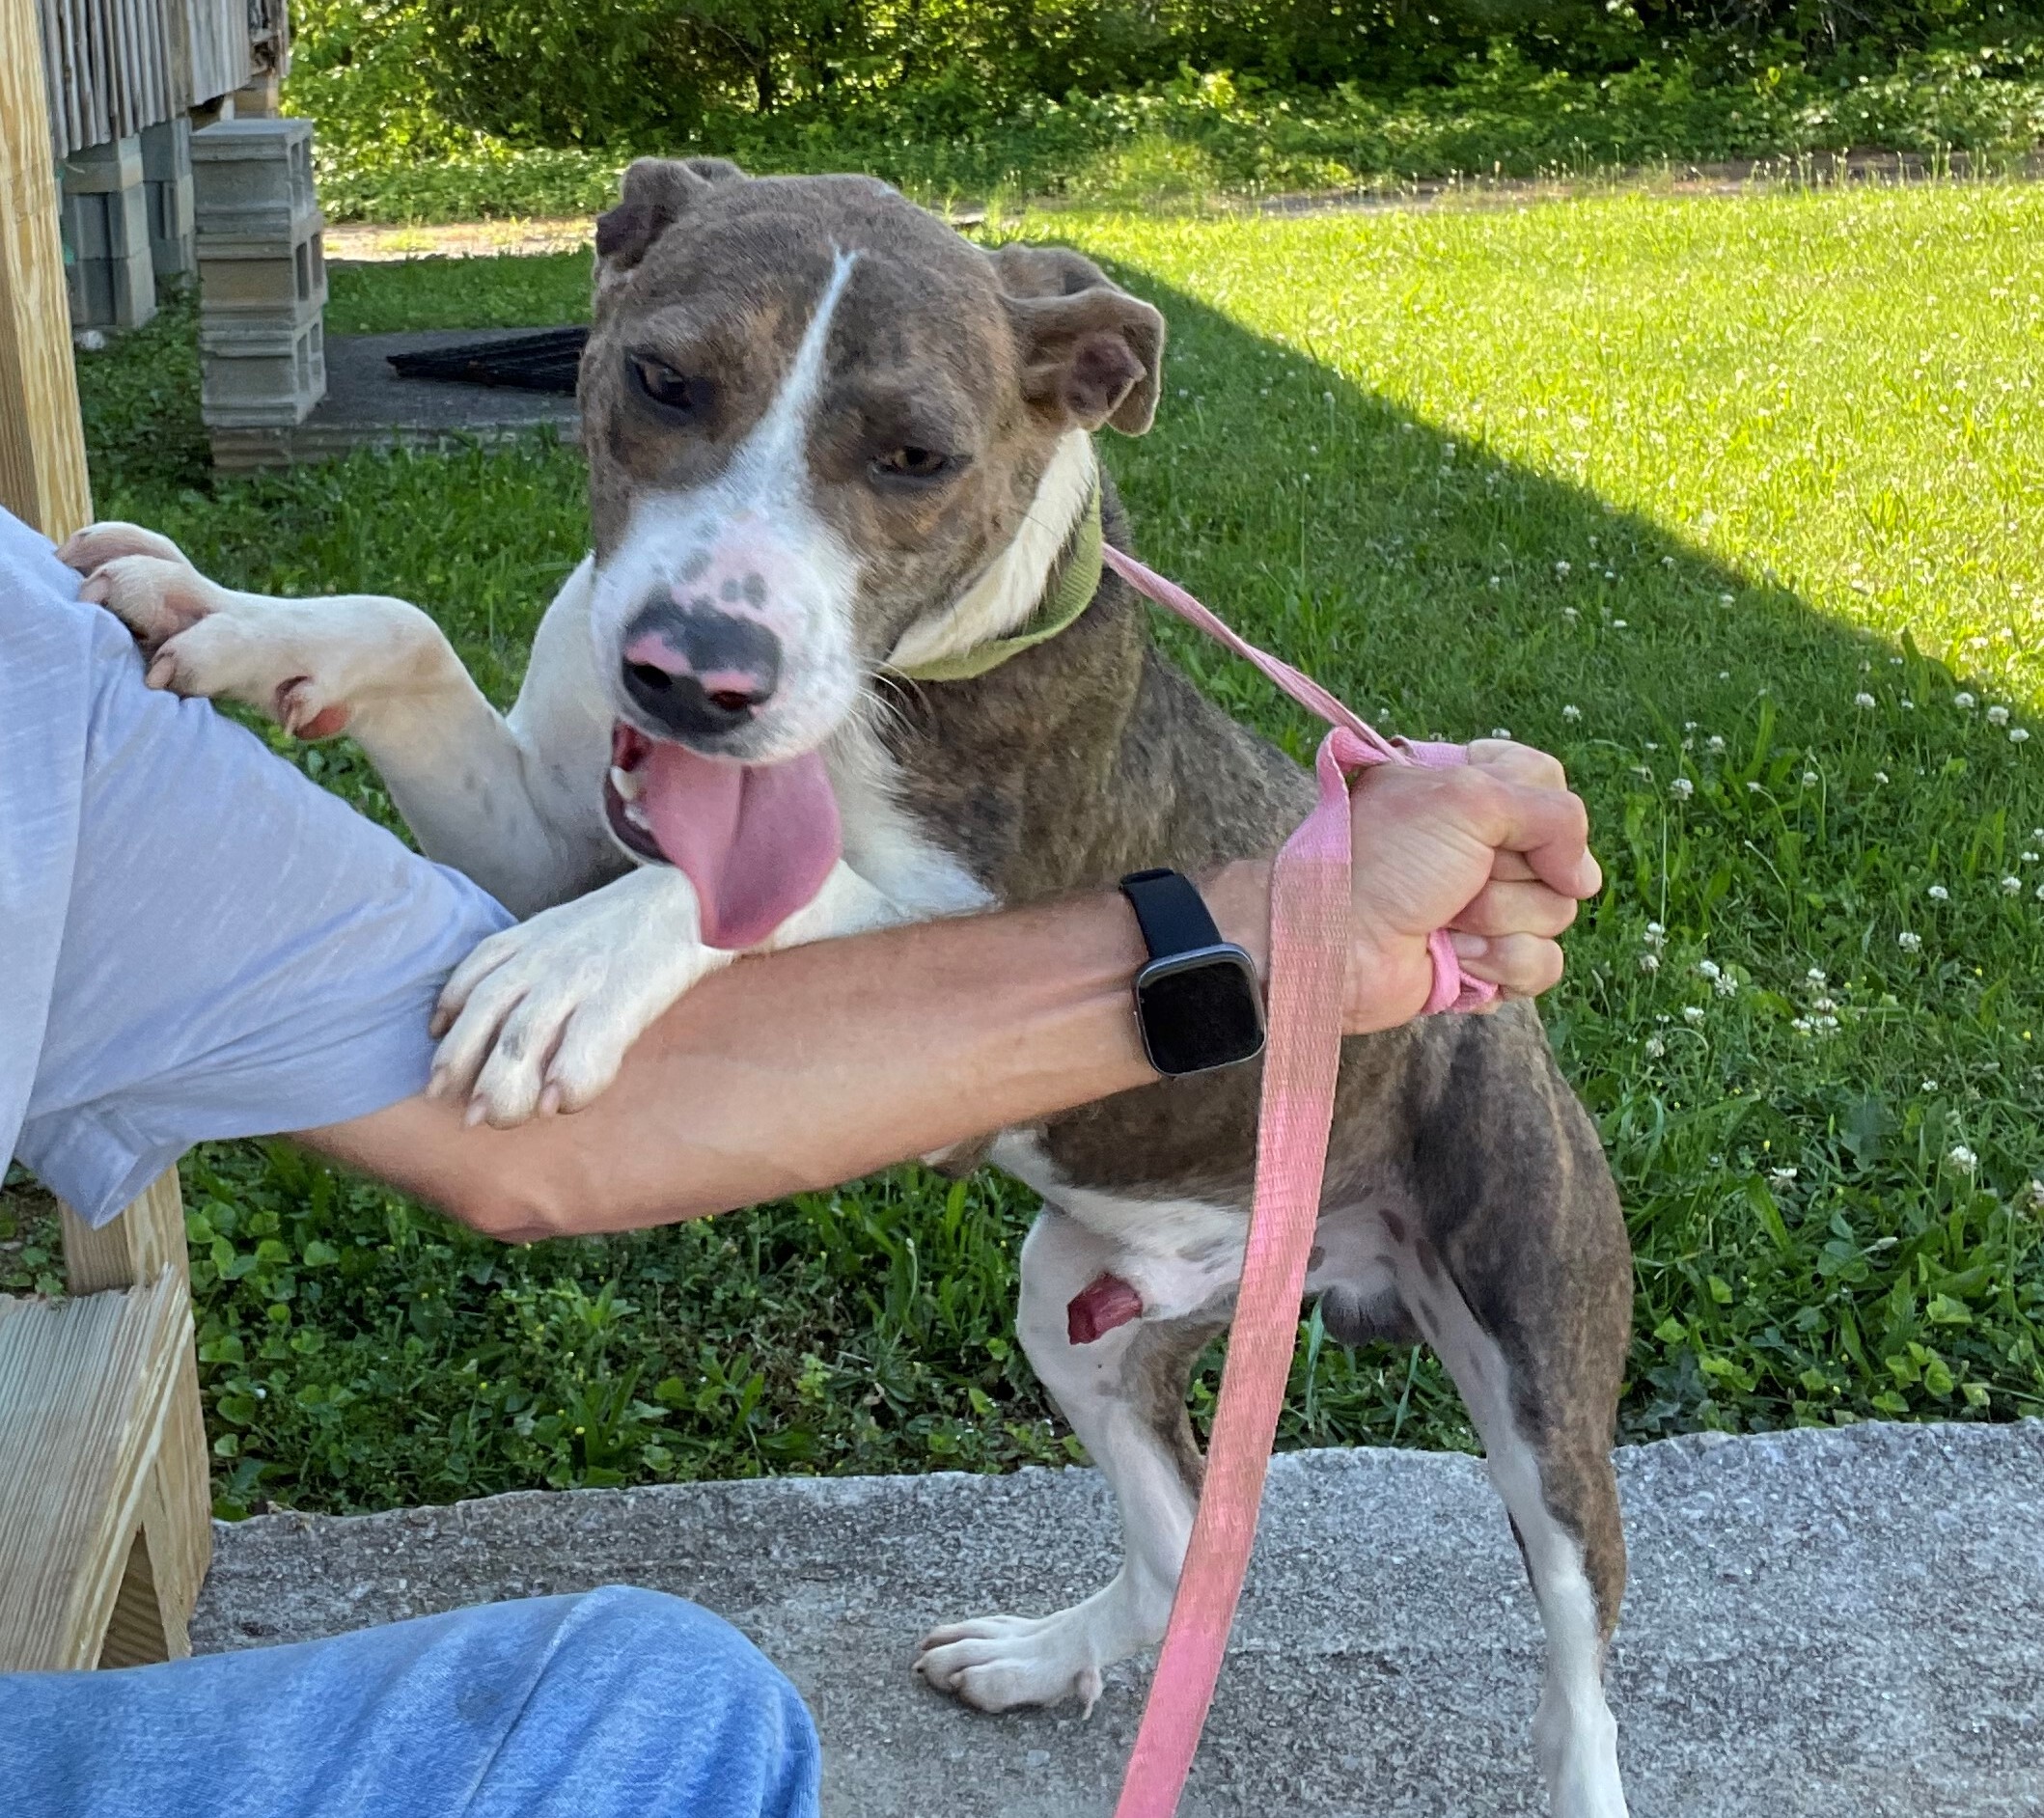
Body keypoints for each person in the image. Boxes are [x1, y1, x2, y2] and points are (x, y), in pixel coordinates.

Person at [0, 501, 1599, 1816]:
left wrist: (1298, 932)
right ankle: (1140, 1600)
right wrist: (493, 754)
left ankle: (1581, 1754)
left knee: (1540, 1450)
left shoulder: (46, 690)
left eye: (900, 460)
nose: (745, 534)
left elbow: (541, 1091)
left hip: (1369, 1120)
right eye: (673, 397)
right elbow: (549, 990)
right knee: (1042, 1342)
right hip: (1120, 1184)